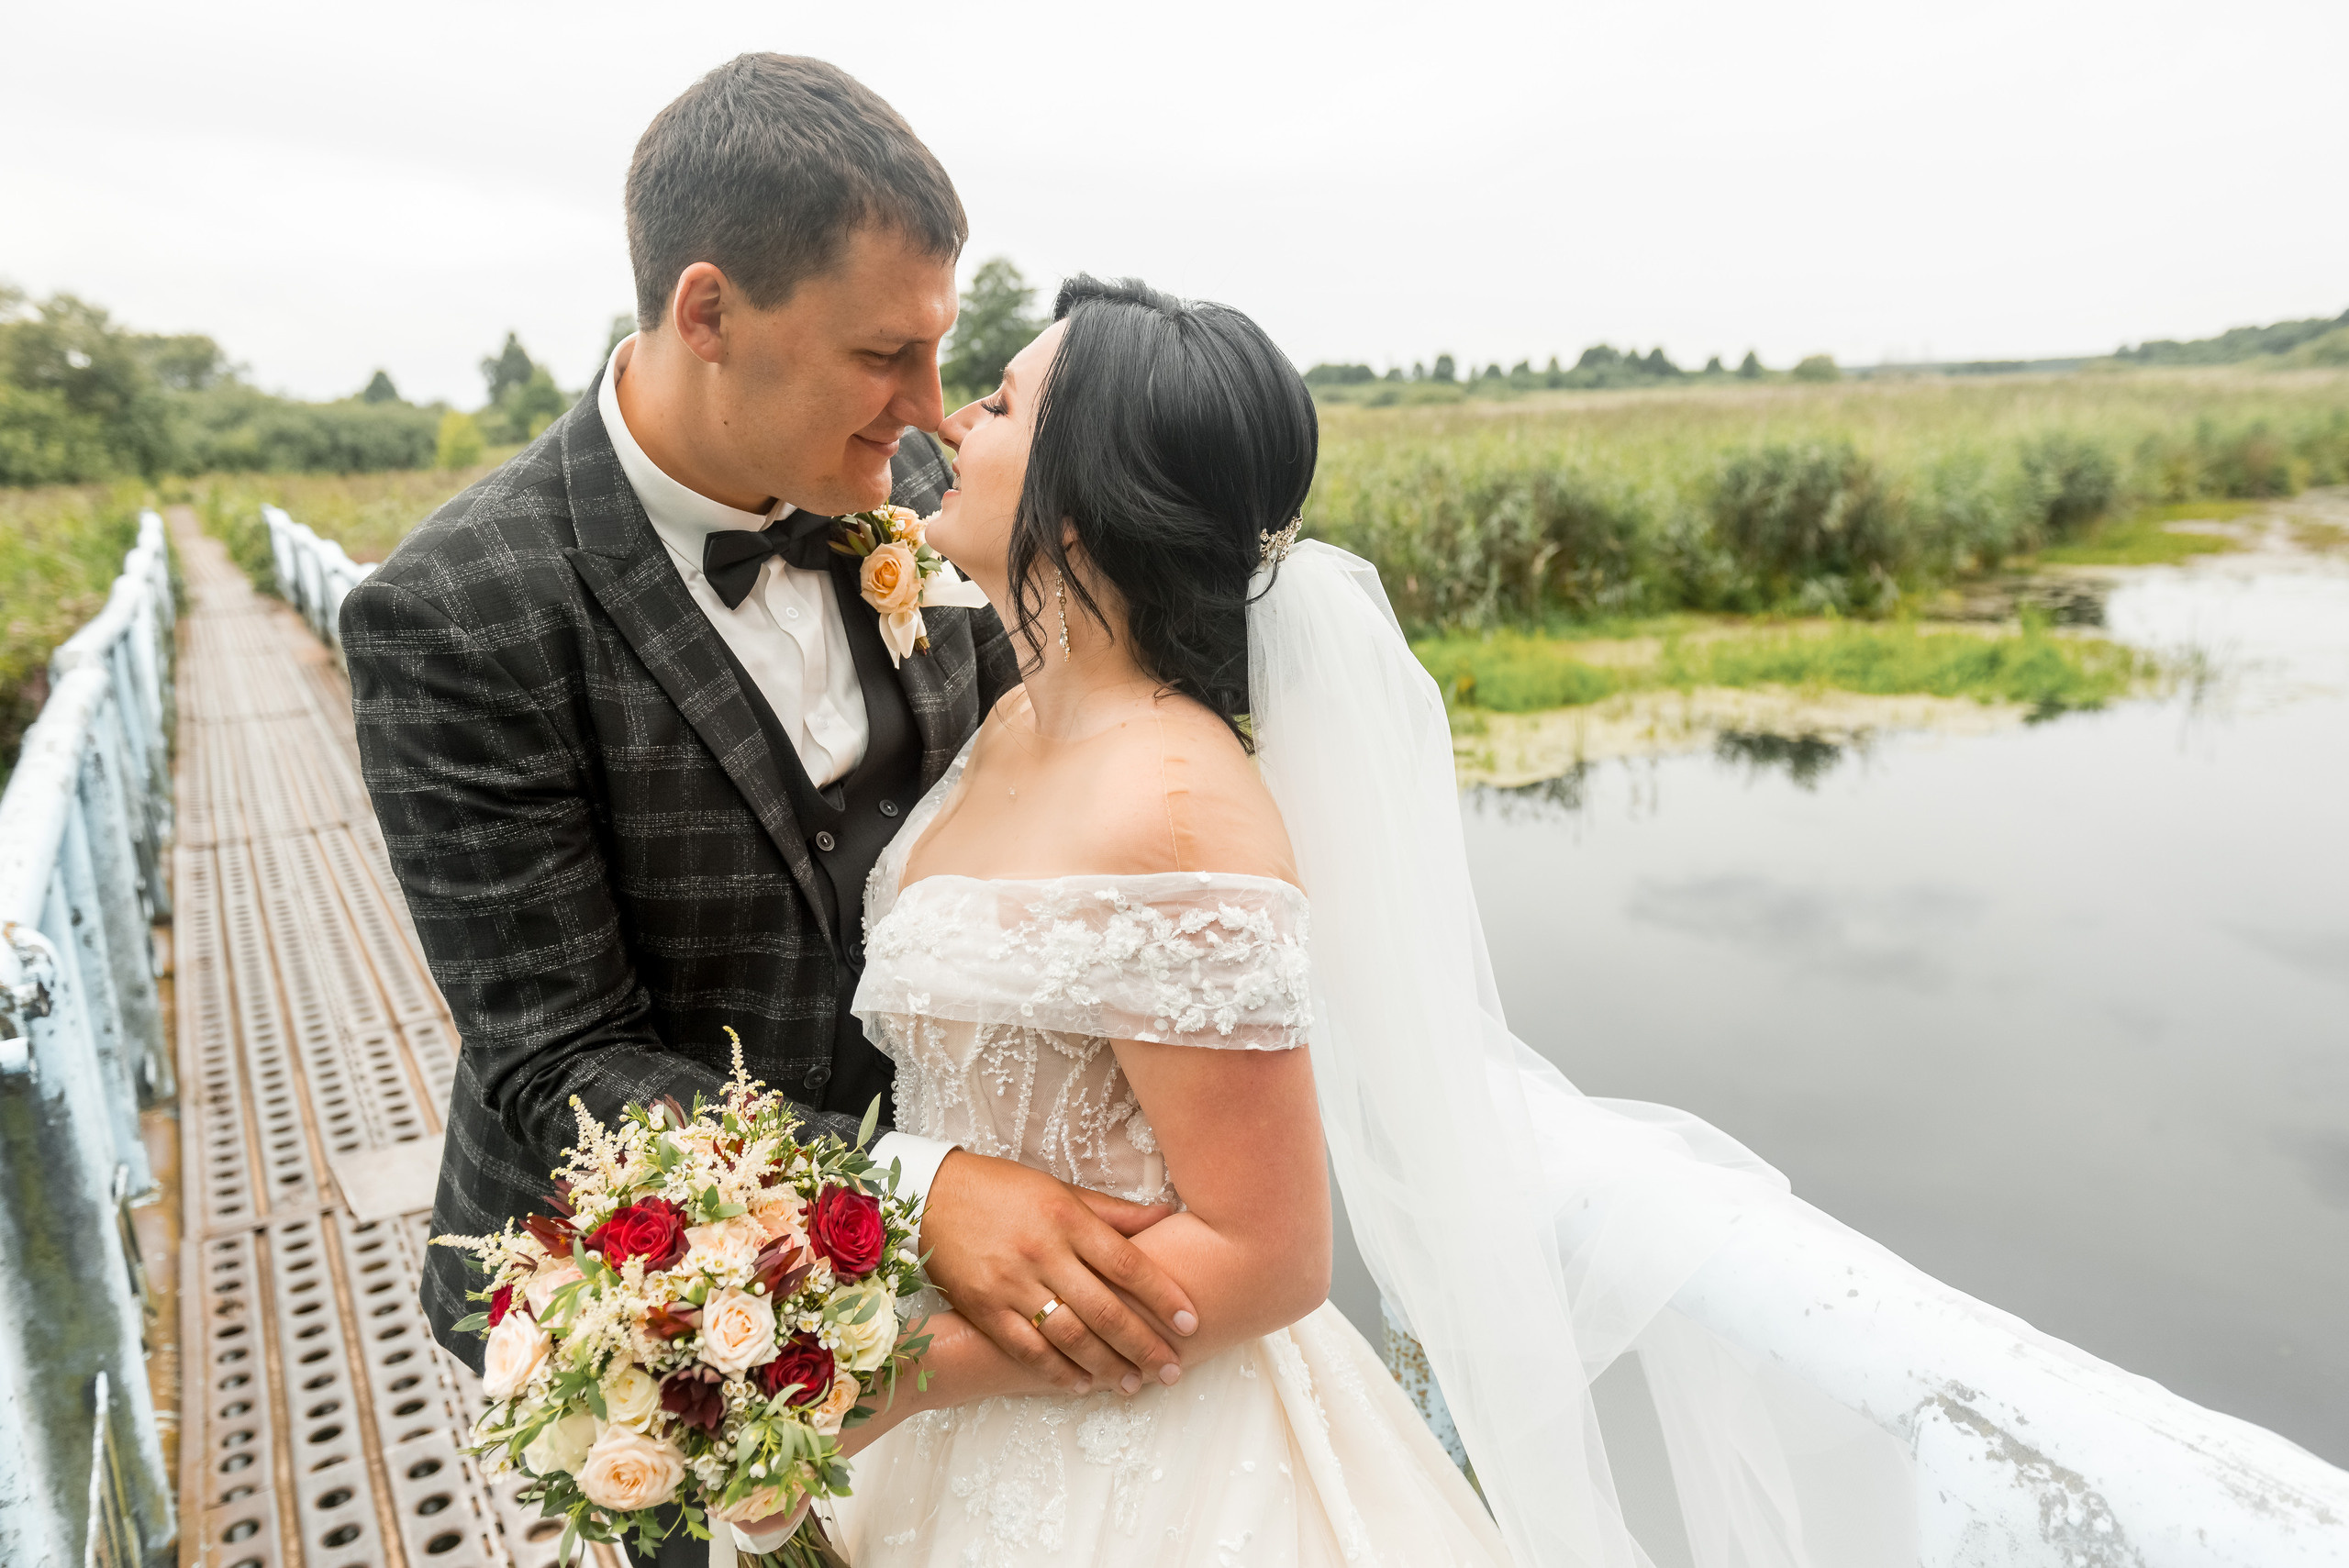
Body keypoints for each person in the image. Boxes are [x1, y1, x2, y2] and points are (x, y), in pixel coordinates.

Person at [817, 277, 1920, 1566]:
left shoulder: (1177, 805)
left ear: (1082, 486)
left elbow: (1270, 1250)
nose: (954, 419)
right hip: (958, 1404)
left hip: (1124, 1463)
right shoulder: (1006, 720)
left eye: (1001, 401)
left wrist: (891, 1376)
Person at [340, 59, 1208, 1563]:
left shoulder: (933, 489)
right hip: (667, 1308)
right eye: (885, 353)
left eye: (944, 354)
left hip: (993, 1276)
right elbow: (559, 1055)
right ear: (708, 312)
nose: (932, 410)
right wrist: (918, 1189)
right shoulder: (453, 614)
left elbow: (1084, 758)